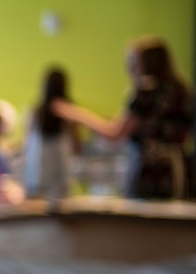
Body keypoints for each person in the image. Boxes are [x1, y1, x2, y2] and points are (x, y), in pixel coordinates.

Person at [53, 37, 192, 199]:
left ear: (147, 63)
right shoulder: (180, 90)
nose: (129, 68)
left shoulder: (145, 92)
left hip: (150, 172)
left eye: (133, 62)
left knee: (145, 222)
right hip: (179, 171)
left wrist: (77, 115)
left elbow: (115, 133)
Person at [23, 68, 78, 199]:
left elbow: (27, 145)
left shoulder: (35, 112)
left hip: (36, 178)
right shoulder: (69, 114)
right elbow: (76, 147)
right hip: (60, 179)